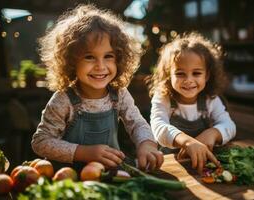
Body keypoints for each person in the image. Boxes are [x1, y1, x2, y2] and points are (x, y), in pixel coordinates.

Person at [32, 4, 163, 171]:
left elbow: (137, 123)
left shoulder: (120, 94)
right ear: (71, 61)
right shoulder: (63, 99)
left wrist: (147, 144)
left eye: (108, 56)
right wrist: (85, 152)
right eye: (89, 57)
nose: (100, 66)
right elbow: (41, 142)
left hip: (111, 177)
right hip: (72, 181)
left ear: (119, 59)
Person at [147, 32, 236, 174]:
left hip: (204, 165)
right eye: (180, 73)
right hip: (171, 165)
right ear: (168, 75)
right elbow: (158, 126)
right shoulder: (163, 97)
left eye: (196, 73)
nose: (189, 80)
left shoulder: (210, 99)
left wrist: (212, 133)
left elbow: (230, 126)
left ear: (207, 75)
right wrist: (188, 142)